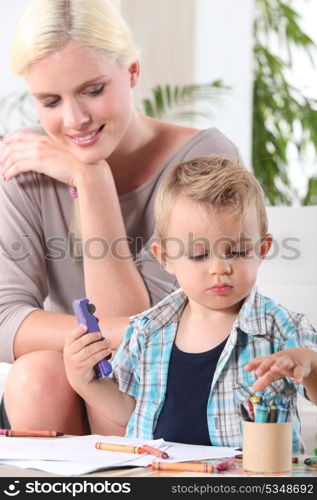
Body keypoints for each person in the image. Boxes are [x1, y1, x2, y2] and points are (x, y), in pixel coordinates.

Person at [0, 0, 242, 435]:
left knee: (115, 375)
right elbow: (4, 321)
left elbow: (144, 352)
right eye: (50, 100)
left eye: (93, 90)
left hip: (163, 383)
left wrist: (90, 180)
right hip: (67, 381)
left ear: (132, 72)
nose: (75, 120)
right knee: (37, 375)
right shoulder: (25, 160)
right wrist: (116, 333)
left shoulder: (205, 159)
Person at [64, 156, 317, 453]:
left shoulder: (282, 328)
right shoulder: (147, 331)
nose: (220, 268)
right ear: (165, 258)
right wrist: (85, 383)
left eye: (236, 251)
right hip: (162, 476)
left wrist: (310, 367)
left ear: (262, 250)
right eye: (199, 255)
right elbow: (131, 410)